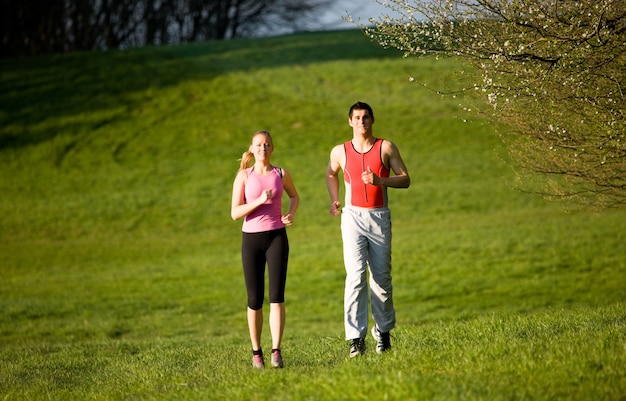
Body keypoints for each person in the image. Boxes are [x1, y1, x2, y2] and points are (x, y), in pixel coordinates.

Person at [325, 101, 410, 357]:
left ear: (372, 120)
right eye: (357, 118)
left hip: (379, 217)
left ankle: (383, 333)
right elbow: (331, 173)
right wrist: (334, 198)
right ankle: (355, 339)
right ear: (350, 121)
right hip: (352, 218)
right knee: (355, 278)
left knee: (381, 279)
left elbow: (405, 178)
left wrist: (380, 180)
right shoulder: (340, 151)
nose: (361, 122)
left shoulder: (386, 147)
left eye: (365, 117)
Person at [231, 130, 300, 369]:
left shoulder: (281, 174)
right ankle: (256, 352)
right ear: (252, 148)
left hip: (277, 237)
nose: (263, 148)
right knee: (254, 299)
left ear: (273, 148)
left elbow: (294, 196)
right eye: (259, 145)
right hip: (251, 240)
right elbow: (234, 213)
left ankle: (276, 352)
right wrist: (259, 201)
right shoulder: (243, 176)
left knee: (277, 297)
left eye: (267, 144)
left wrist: (290, 214)